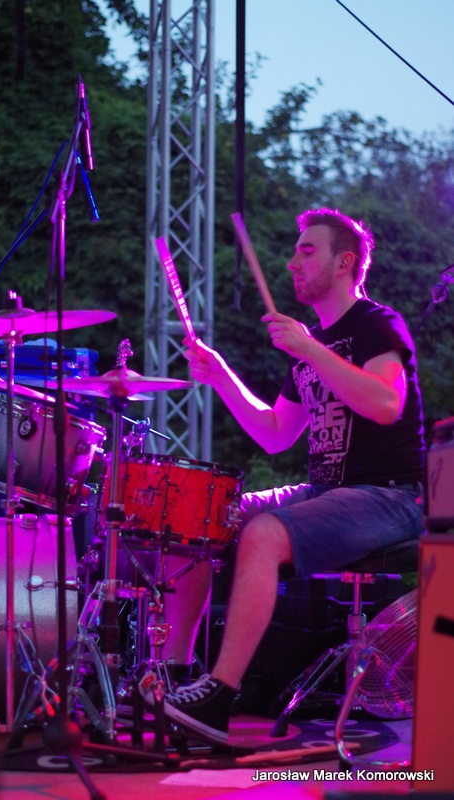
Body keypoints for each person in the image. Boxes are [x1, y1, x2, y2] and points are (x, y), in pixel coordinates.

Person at [145, 207, 425, 744]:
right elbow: (276, 433)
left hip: (389, 497)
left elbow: (386, 403)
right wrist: (221, 376)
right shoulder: (308, 344)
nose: (292, 262)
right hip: (327, 490)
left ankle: (219, 697)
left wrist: (311, 350)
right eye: (295, 251)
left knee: (264, 533)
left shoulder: (375, 323)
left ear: (344, 263)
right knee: (199, 512)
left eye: (307, 250)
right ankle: (174, 679)